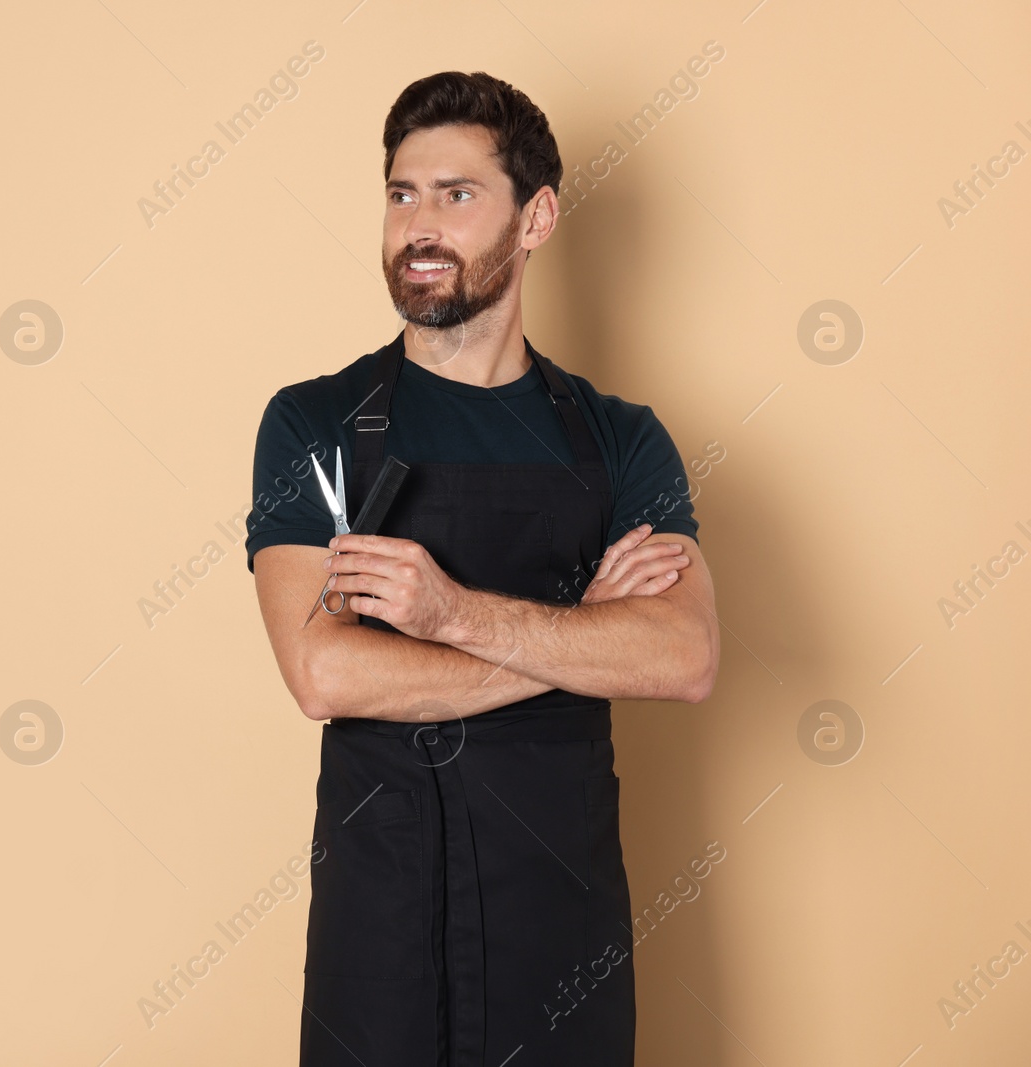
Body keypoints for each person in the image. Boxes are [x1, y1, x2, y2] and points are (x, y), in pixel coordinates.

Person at [245, 71, 720, 1065]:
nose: (420, 225)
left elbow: (679, 655)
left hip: (560, 925)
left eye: (457, 195)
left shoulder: (620, 440)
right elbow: (324, 673)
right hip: (377, 923)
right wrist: (578, 634)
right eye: (401, 194)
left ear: (536, 216)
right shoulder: (315, 423)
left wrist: (446, 610)